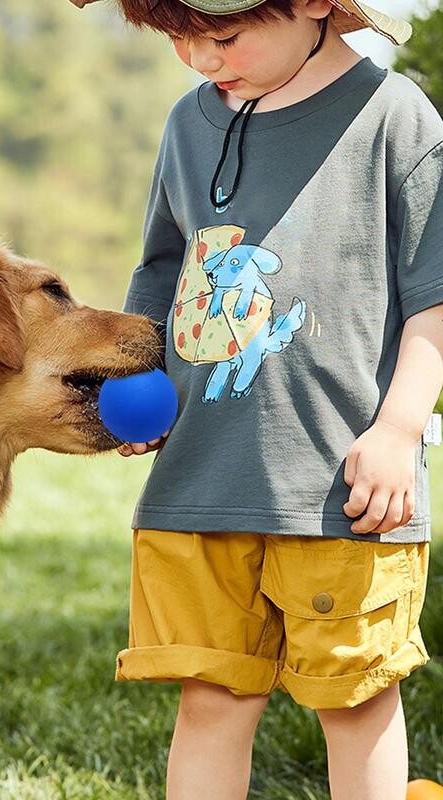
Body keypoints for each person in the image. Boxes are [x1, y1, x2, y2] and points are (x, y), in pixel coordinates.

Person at [69, 2, 443, 799]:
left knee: (358, 699)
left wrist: (399, 428)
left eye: (224, 35)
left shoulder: (394, 118)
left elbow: (434, 301)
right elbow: (162, 275)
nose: (201, 59)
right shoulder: (188, 124)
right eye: (177, 38)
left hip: (344, 491)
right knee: (212, 697)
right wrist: (150, 389)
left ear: (313, 3)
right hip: (204, 484)